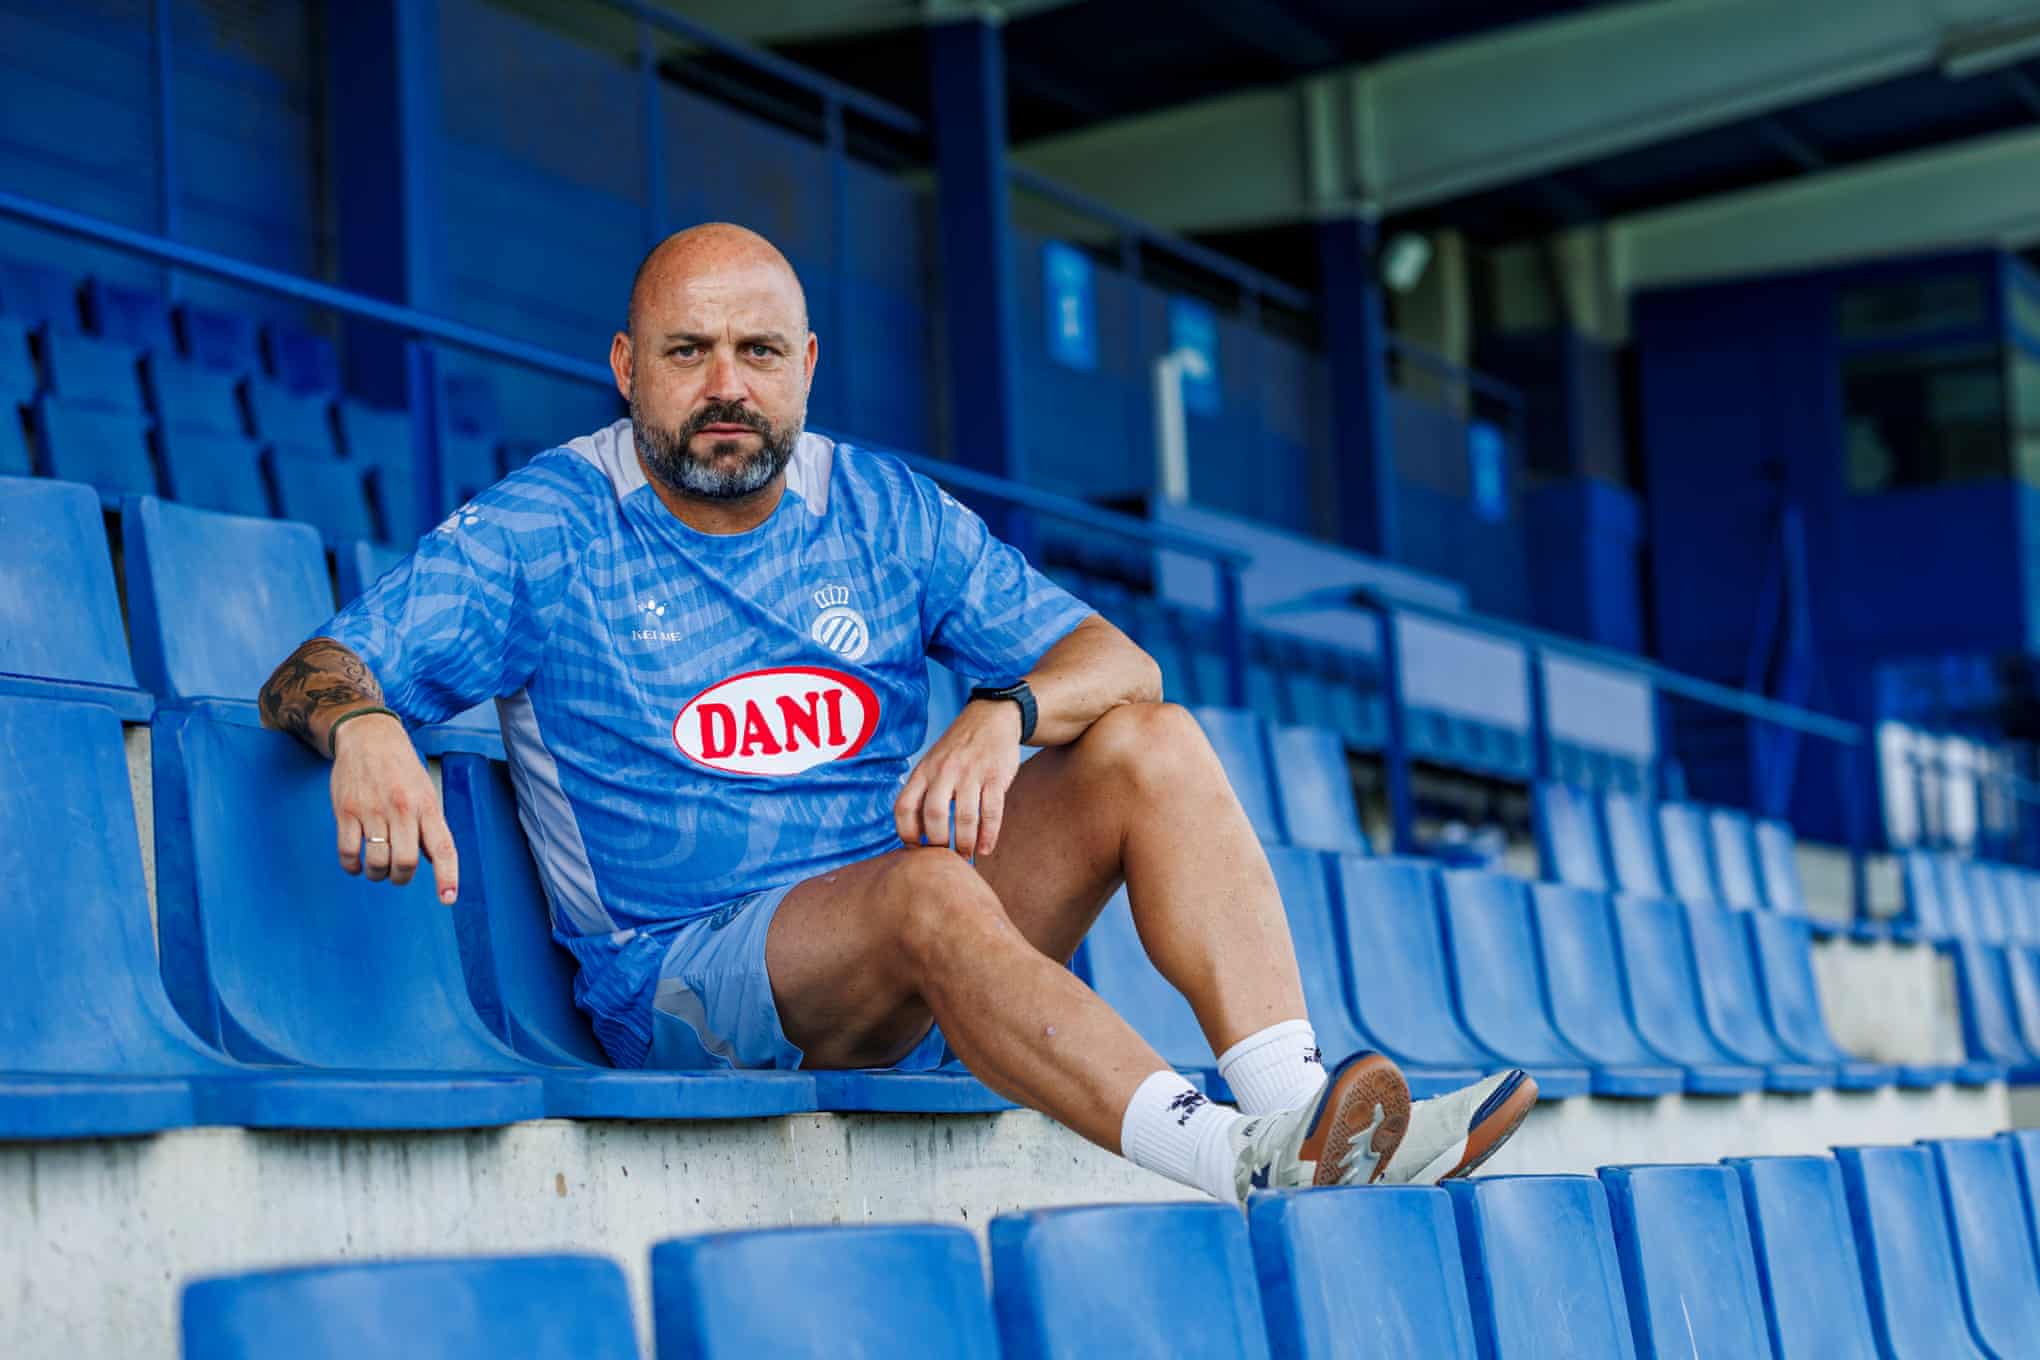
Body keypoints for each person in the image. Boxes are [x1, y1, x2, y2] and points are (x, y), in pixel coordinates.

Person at [258, 223, 1535, 1204]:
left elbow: (1122, 662)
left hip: (914, 960)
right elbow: (314, 667)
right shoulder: (546, 529)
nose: (725, 387)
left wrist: (1006, 710)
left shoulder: (882, 508)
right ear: (624, 367)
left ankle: (1302, 1112)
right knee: (924, 891)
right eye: (687, 351)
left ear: (806, 365)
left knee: (1151, 744)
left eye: (758, 353)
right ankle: (1237, 1161)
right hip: (690, 992)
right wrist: (366, 725)